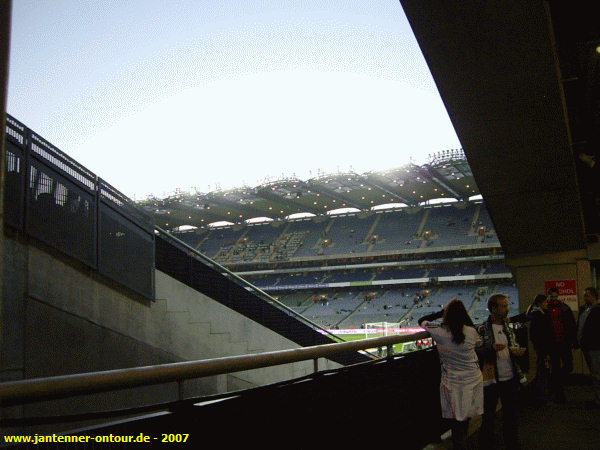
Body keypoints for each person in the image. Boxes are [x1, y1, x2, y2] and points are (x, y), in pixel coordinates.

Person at [419, 299, 483, 449]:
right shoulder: (471, 332)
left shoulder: (440, 331)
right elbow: (475, 336)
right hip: (473, 379)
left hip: (454, 382)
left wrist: (441, 313)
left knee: (456, 422)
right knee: (465, 417)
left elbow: (422, 320)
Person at [477, 294, 524, 450]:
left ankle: (511, 442)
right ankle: (487, 443)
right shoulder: (483, 328)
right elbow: (478, 351)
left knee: (511, 415)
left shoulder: (507, 327)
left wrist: (516, 351)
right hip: (492, 379)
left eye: (506, 305)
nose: (507, 308)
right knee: (489, 415)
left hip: (510, 377)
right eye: (503, 305)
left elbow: (513, 344)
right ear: (493, 308)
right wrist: (491, 349)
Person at [546, 287, 577, 403]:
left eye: (555, 296)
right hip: (553, 345)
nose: (554, 299)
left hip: (564, 343)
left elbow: (571, 325)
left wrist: (573, 341)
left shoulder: (564, 308)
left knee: (568, 366)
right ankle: (559, 394)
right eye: (552, 296)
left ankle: (554, 384)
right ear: (549, 296)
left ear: (558, 296)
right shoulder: (546, 309)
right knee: (556, 368)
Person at [526, 294, 553, 405]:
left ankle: (541, 395)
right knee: (543, 371)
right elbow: (541, 337)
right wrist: (546, 352)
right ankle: (542, 397)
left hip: (542, 350)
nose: (547, 304)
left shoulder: (537, 315)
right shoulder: (538, 316)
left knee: (543, 371)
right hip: (543, 351)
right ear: (540, 303)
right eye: (545, 302)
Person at [577, 287, 600, 408]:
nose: (585, 298)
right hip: (586, 346)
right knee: (594, 373)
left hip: (596, 347)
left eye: (587, 295)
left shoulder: (597, 310)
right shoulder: (585, 309)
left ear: (593, 296)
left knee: (597, 374)